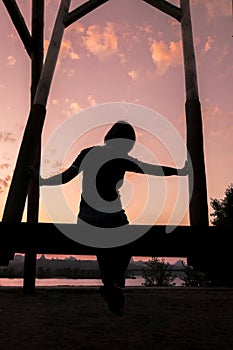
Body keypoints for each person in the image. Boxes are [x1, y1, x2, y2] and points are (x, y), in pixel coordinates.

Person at [28, 120, 188, 316]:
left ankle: (111, 284)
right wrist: (180, 172)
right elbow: (153, 169)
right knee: (123, 235)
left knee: (107, 238)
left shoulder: (88, 153)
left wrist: (42, 181)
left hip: (89, 218)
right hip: (109, 218)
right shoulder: (122, 159)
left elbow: (66, 177)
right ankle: (114, 282)